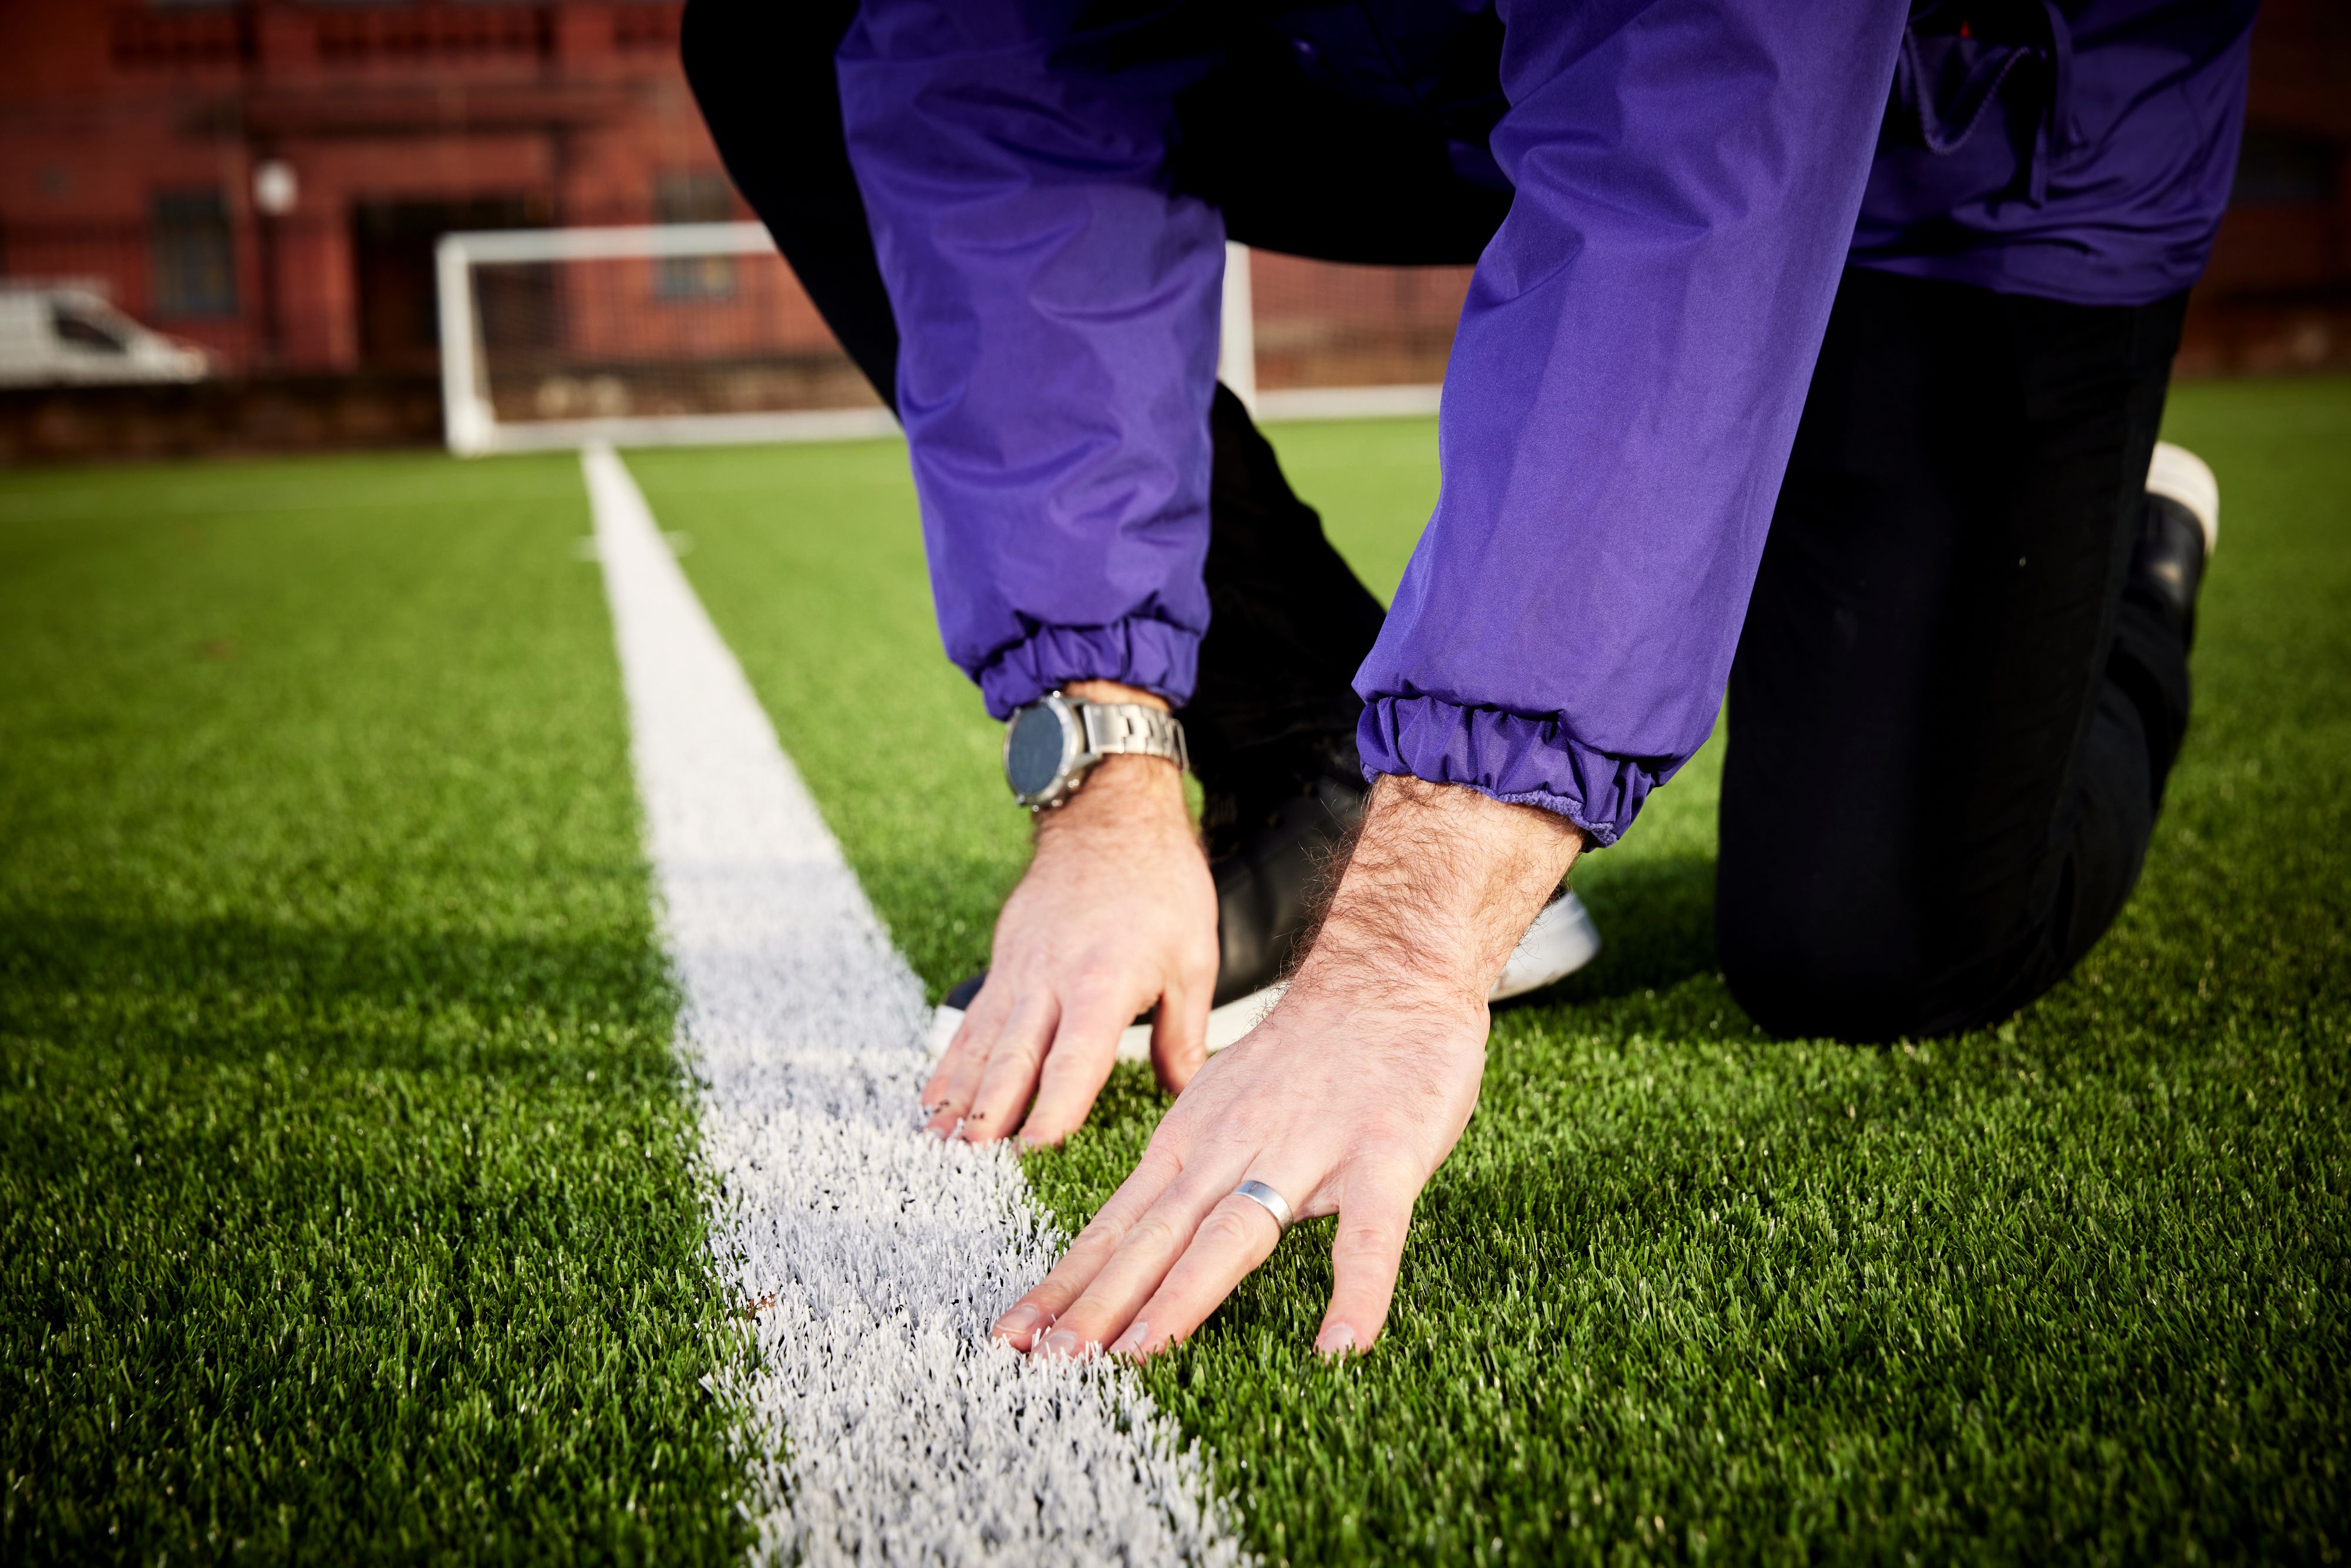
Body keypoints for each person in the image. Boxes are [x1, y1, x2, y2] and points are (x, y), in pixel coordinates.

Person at [682, 0, 2254, 1360]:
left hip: (1968, 124)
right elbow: (996, 93)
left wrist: (1414, 936)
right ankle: (1310, 771)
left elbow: (1692, 119)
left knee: (1869, 958)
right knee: (807, 33)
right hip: (1424, 67)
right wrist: (1105, 758)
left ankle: (2122, 570)